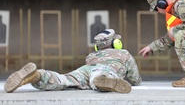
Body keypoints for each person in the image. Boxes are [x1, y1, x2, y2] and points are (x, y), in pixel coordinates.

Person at [5, 29, 142, 93]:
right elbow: (134, 79)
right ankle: (102, 81)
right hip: (104, 70)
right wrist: (135, 81)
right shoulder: (124, 53)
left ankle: (38, 76)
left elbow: (91, 67)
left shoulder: (92, 55)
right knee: (99, 76)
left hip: (85, 69)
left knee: (64, 80)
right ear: (116, 43)